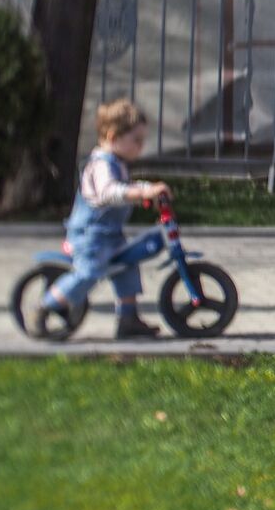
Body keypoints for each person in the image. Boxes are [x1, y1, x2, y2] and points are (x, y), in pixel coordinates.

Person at [27, 99, 171, 340]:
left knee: (127, 266)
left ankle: (128, 319)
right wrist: (143, 193)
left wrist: (148, 189)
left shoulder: (117, 163)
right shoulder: (101, 164)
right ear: (114, 137)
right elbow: (109, 192)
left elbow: (124, 187)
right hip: (90, 236)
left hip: (108, 235)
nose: (141, 146)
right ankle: (44, 307)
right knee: (89, 272)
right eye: (136, 140)